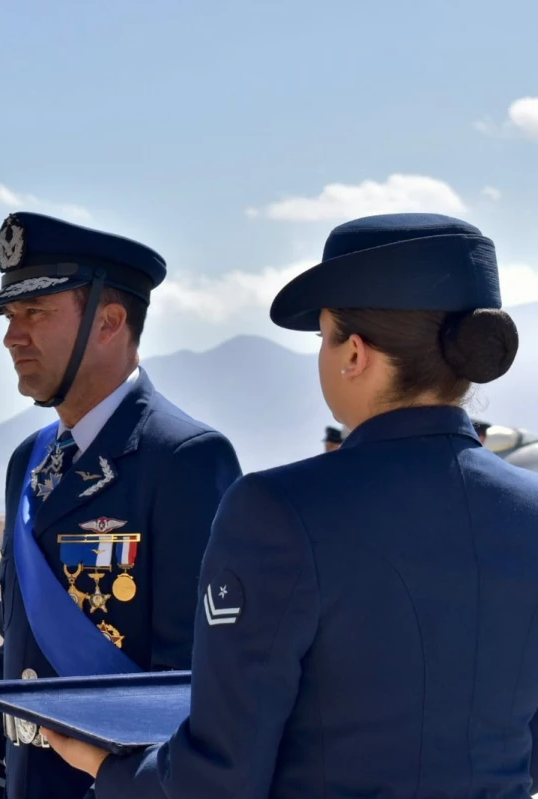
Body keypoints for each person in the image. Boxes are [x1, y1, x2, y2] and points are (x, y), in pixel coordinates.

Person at [44, 212, 538, 797]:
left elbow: (220, 776)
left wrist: (110, 771)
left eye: (324, 336)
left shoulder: (277, 509)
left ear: (354, 354)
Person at [0, 212, 242, 799]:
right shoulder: (28, 461)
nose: (12, 337)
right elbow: (15, 657)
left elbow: (192, 678)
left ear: (109, 322)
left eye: (35, 313)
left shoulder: (183, 458)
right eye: (10, 317)